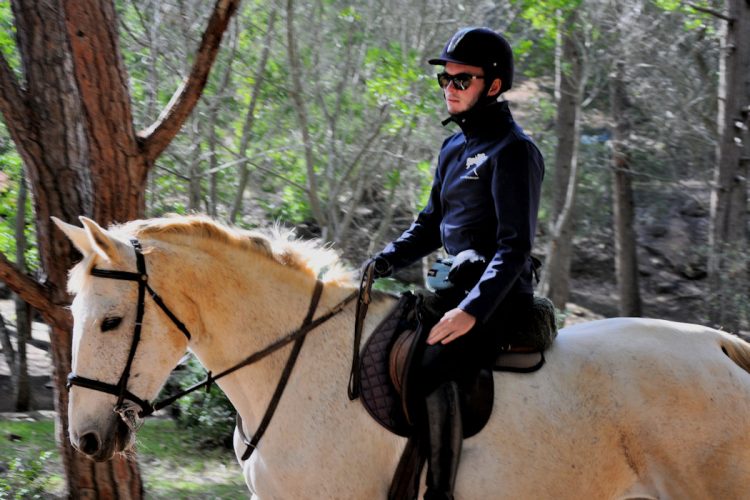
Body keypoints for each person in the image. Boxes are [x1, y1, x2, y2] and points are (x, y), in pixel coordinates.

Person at [368, 27, 545, 500]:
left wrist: (472, 311)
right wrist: (380, 262)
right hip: (452, 283)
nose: (449, 89)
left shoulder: (514, 151)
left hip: (498, 296)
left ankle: (439, 492)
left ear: (493, 84)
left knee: (428, 363)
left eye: (461, 80)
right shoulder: (453, 147)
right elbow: (429, 224)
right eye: (445, 80)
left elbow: (514, 247)